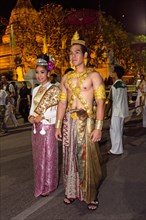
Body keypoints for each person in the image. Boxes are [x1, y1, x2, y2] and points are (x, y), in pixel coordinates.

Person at [55, 32, 106, 210]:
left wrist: (99, 127)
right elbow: (62, 102)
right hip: (69, 121)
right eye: (71, 53)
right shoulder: (65, 78)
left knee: (87, 159)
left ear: (85, 55)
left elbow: (100, 102)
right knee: (69, 158)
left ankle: (91, 194)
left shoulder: (95, 76)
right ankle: (71, 191)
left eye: (77, 52)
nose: (73, 56)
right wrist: (58, 125)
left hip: (87, 122)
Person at [28, 54, 60, 197]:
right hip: (36, 129)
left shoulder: (55, 90)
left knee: (48, 157)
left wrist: (43, 116)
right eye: (37, 72)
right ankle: (39, 184)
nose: (39, 76)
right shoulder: (35, 90)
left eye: (42, 72)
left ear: (48, 73)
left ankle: (49, 185)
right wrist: (30, 117)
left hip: (48, 127)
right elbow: (32, 109)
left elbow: (59, 112)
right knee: (38, 158)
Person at [107, 65, 129, 155]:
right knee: (119, 129)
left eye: (112, 72)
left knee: (114, 130)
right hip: (123, 110)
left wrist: (106, 113)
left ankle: (115, 150)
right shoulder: (124, 85)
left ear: (115, 74)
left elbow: (110, 100)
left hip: (116, 111)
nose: (111, 73)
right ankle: (119, 149)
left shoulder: (114, 86)